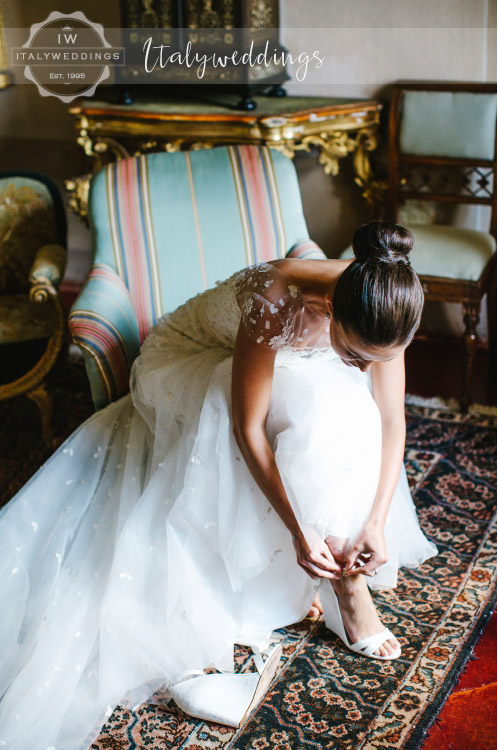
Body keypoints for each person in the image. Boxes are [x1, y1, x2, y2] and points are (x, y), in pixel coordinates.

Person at [0, 221, 438, 749]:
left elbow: (391, 419)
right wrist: (299, 531)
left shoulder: (387, 295)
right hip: (189, 360)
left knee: (351, 406)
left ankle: (343, 570)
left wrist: (375, 520)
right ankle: (343, 580)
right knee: (321, 406)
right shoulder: (276, 296)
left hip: (288, 360)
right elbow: (247, 427)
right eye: (358, 354)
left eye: (380, 359)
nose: (367, 368)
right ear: (336, 315)